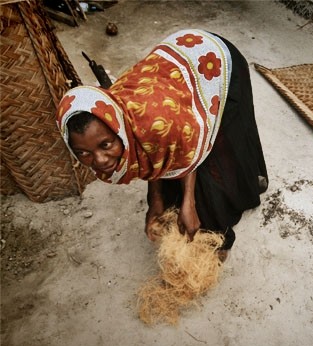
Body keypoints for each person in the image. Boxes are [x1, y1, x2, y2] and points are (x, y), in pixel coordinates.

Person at [56, 29, 268, 258]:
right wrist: (154, 202)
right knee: (171, 182)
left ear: (117, 131)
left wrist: (190, 203)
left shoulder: (158, 121)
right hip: (175, 75)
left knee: (219, 148)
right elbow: (151, 155)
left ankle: (240, 191)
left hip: (217, 63)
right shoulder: (111, 115)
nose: (99, 160)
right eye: (83, 153)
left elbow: (188, 149)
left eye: (105, 145)